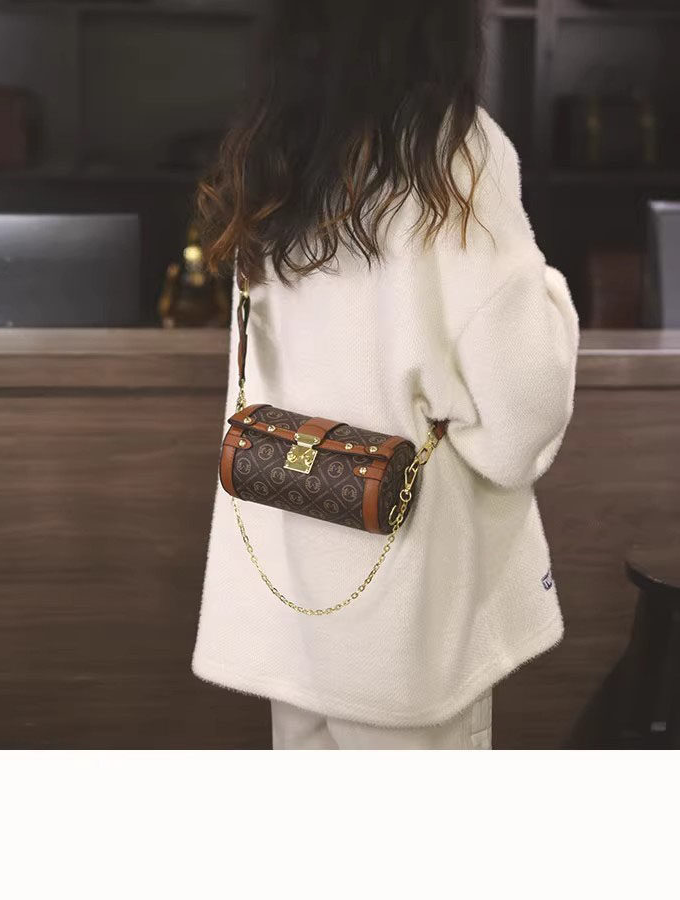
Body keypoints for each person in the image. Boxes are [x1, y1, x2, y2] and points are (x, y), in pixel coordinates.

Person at [191, 0, 580, 750]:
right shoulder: (452, 155)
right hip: (409, 600)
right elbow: (518, 422)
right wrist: (551, 298)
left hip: (291, 583)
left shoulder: (276, 143)